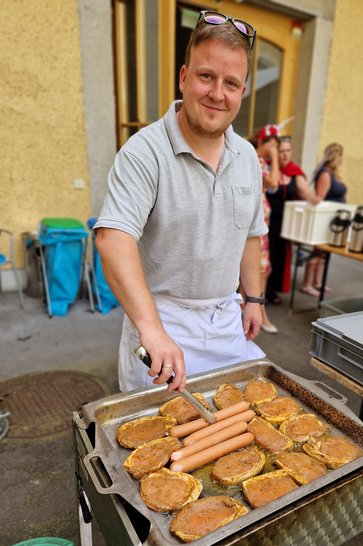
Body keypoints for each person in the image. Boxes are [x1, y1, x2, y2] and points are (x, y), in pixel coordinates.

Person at [94, 10, 267, 392]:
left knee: (232, 435)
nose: (217, 94)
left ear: (243, 90)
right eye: (207, 76)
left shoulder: (248, 157)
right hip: (161, 325)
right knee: (163, 442)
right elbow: (112, 239)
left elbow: (251, 233)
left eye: (231, 83)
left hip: (226, 321)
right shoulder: (144, 151)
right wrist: (152, 330)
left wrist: (253, 298)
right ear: (185, 77)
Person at [266, 135, 316, 304]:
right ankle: (260, 291)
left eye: (288, 151)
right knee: (266, 258)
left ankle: (272, 291)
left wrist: (319, 203)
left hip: (285, 225)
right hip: (267, 222)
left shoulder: (295, 173)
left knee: (280, 258)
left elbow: (308, 195)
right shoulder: (269, 169)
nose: (285, 155)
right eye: (281, 151)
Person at [302, 142, 347, 296]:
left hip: (332, 220)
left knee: (323, 253)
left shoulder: (332, 173)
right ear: (337, 156)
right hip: (325, 220)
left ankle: (318, 282)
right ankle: (307, 284)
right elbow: (320, 197)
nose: (342, 159)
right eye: (341, 155)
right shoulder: (326, 174)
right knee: (318, 252)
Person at [256, 124, 280, 333]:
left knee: (259, 270)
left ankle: (255, 311)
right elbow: (274, 183)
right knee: (260, 270)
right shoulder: (258, 160)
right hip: (257, 226)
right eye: (272, 143)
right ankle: (260, 313)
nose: (275, 147)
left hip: (261, 225)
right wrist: (276, 157)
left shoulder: (260, 161)